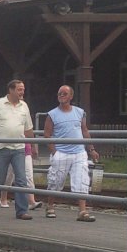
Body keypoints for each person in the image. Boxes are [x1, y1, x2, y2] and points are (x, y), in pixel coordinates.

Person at [43, 84, 98, 222]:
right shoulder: (52, 114)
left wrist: (91, 149)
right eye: (59, 93)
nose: (61, 95)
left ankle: (82, 211)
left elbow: (84, 130)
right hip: (61, 152)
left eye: (64, 93)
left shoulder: (80, 112)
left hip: (79, 152)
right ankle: (50, 205)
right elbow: (47, 134)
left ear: (71, 96)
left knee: (82, 180)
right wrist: (54, 151)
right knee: (55, 181)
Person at [0, 79, 35, 220]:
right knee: (0, 180)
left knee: (21, 179)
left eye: (23, 89)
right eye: (19, 89)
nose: (22, 92)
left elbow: (28, 128)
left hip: (19, 148)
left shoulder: (24, 106)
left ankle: (22, 211)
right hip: (0, 148)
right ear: (11, 90)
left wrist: (34, 145)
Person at [0, 142, 42, 210]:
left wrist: (34, 147)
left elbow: (30, 134)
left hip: (26, 150)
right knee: (9, 176)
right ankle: (3, 198)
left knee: (29, 176)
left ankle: (31, 201)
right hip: (12, 149)